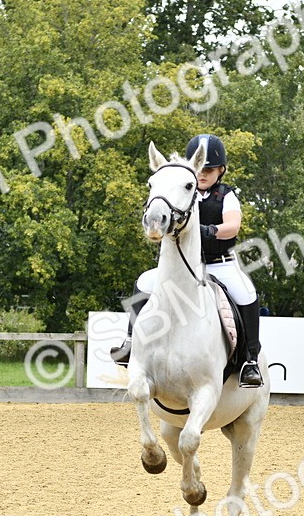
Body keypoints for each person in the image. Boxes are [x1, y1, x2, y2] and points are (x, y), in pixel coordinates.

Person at [111, 134, 265, 388]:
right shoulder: (179, 189)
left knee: (247, 294)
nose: (203, 174)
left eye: (210, 169)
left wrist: (208, 231)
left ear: (221, 170)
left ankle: (250, 361)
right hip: (182, 267)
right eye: (200, 169)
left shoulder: (226, 195)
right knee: (144, 282)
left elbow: (233, 226)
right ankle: (130, 343)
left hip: (219, 263)